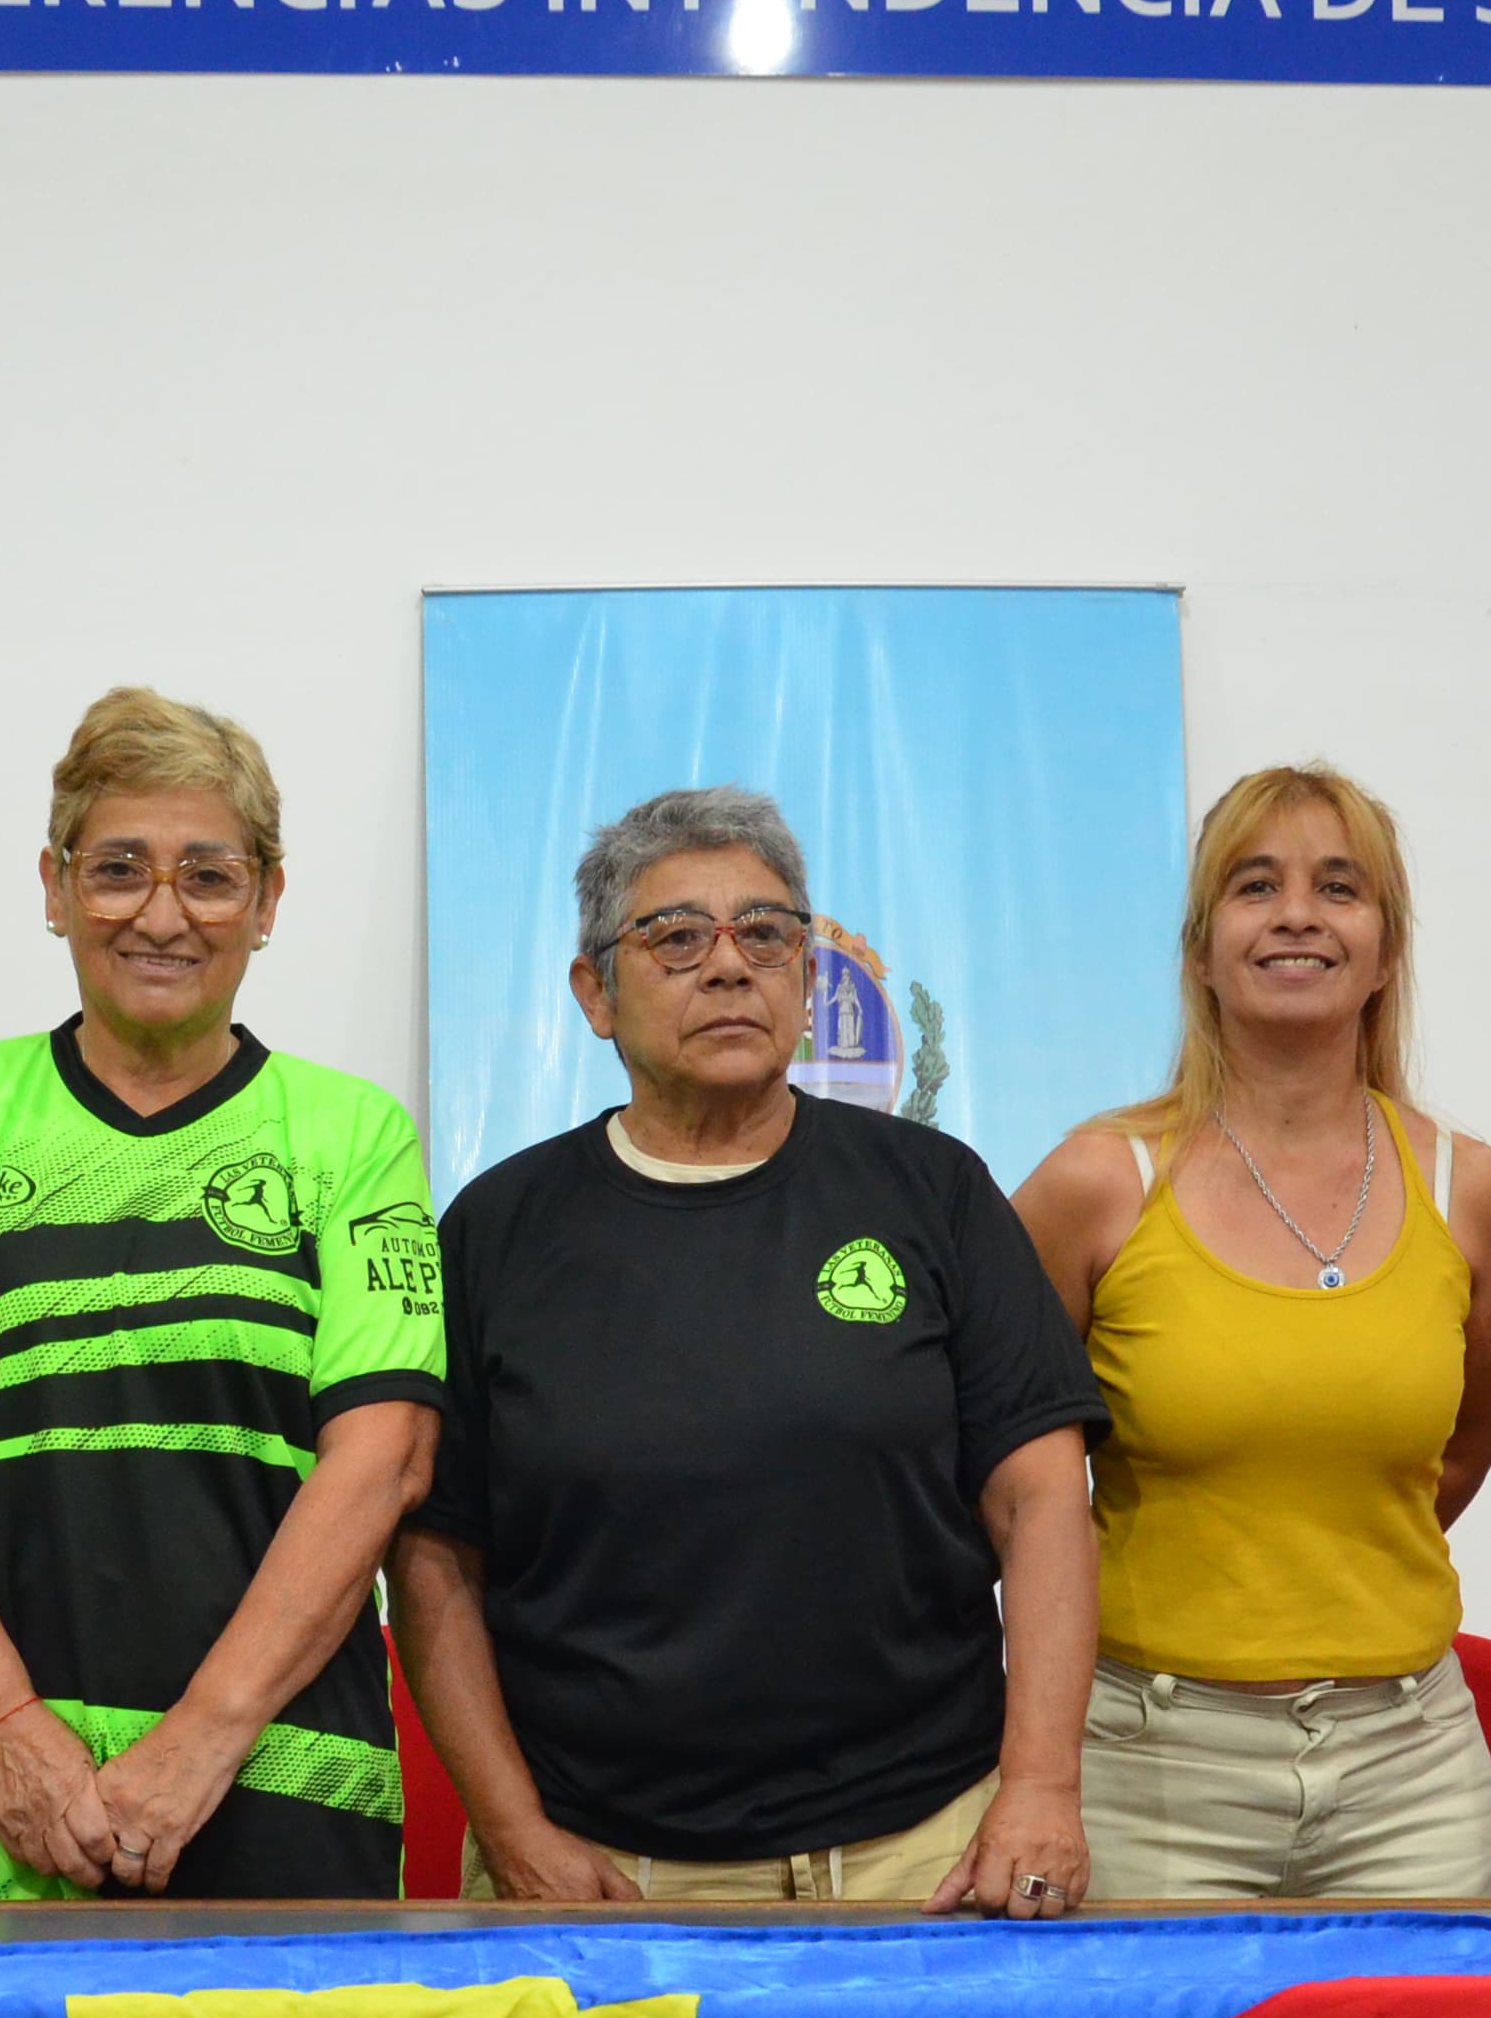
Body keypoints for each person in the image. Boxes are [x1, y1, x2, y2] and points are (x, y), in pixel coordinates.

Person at [393, 785, 1102, 1915]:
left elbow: (1042, 1502)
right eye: (675, 937)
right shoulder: (497, 1228)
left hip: (922, 1855)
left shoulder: (933, 1194)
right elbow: (435, 1560)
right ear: (593, 992)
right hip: (597, 1870)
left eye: (765, 934)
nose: (728, 967)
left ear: (808, 980)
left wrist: (1041, 1788)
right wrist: (511, 1828)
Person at [0, 687, 442, 1899]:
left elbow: (381, 1459)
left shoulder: (349, 1133)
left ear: (268, 900)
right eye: (116, 871)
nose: (161, 914)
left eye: (206, 875)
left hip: (286, 1792)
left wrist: (201, 1740)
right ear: (51, 889)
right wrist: (2, 1730)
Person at [1013, 764, 1491, 1898]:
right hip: (1147, 1773)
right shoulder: (1094, 1186)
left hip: (1414, 1780)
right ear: (1200, 950)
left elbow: (1453, 1457)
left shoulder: (1471, 1192)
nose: (1297, 913)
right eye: (1255, 887)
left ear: (1386, 949)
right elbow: (1005, 1477)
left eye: (1337, 888)